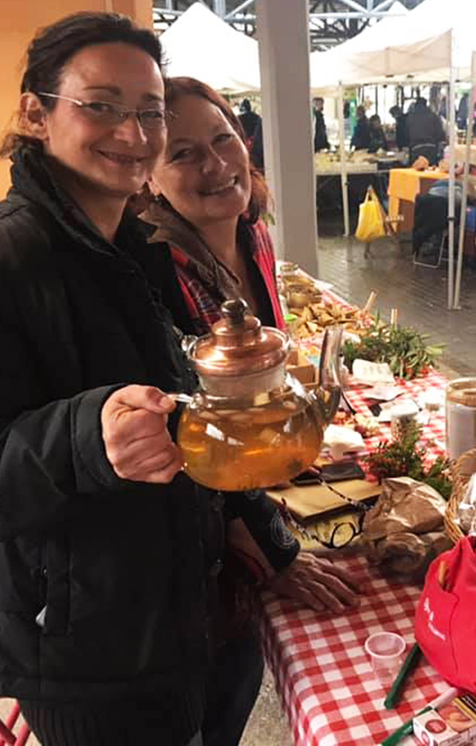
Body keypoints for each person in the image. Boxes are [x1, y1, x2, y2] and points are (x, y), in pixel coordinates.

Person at [0, 13, 359, 746]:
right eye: (101, 105)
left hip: (183, 595)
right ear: (35, 113)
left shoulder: (136, 249)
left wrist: (272, 549)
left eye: (150, 111)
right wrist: (87, 437)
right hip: (84, 643)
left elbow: (199, 420)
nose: (134, 133)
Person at [135, 75, 361, 742]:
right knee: (216, 685)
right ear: (147, 177)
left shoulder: (251, 233)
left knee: (235, 676)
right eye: (182, 153)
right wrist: (273, 547)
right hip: (189, 525)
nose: (215, 164)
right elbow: (189, 428)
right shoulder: (149, 268)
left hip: (250, 492)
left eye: (223, 139)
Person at [406, 97, 445, 165]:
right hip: (431, 147)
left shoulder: (410, 117)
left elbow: (406, 134)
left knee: (416, 169)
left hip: (415, 148)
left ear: (416, 105)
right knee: (431, 169)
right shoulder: (433, 116)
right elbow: (440, 133)